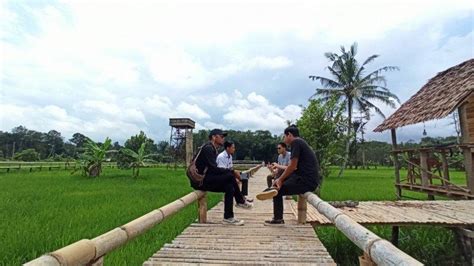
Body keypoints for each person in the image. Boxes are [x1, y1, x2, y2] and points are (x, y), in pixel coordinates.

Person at [256, 125, 320, 225]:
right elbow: (294, 167)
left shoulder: (296, 143)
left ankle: (278, 218)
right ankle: (271, 190)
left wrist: (281, 179)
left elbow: (292, 166)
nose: (284, 139)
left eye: (284, 136)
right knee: (277, 184)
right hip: (303, 178)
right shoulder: (301, 143)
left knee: (278, 190)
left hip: (306, 181)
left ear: (289, 135)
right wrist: (280, 179)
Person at [190, 129, 251, 226]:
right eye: (221, 137)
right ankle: (240, 200)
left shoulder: (216, 150)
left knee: (229, 187)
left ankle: (228, 217)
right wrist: (232, 172)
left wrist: (233, 172)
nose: (223, 139)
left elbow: (216, 169)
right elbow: (214, 169)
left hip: (206, 179)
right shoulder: (209, 149)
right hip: (200, 181)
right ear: (214, 137)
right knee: (230, 176)